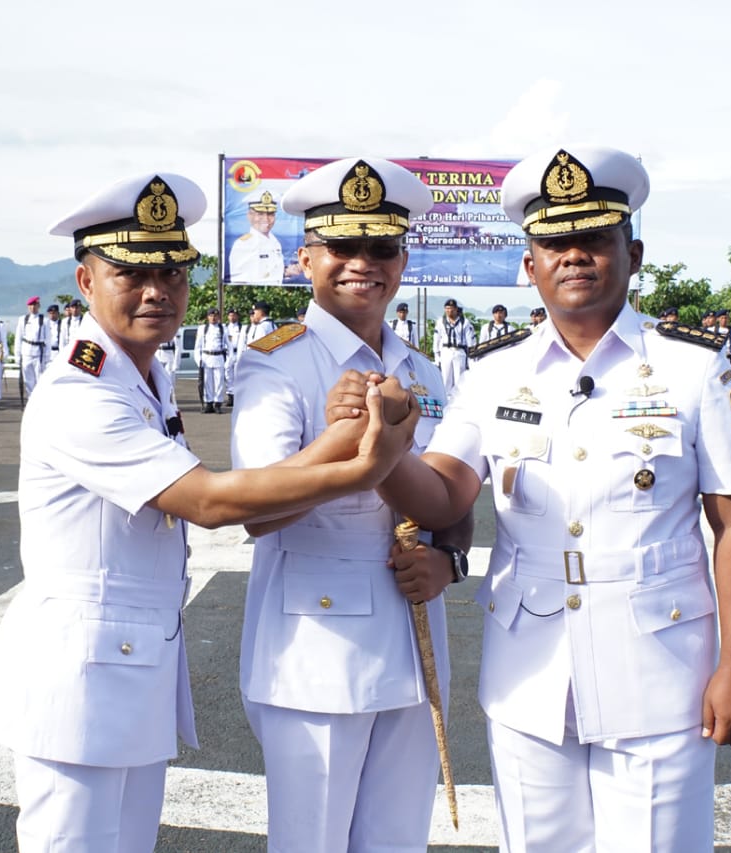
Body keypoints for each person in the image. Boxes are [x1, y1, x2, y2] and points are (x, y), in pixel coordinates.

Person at [0, 171, 418, 853]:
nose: (157, 289)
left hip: (126, 670)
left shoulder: (144, 377)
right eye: (131, 272)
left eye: (172, 271)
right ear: (86, 281)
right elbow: (211, 502)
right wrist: (359, 461)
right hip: (79, 681)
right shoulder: (82, 391)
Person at [373, 145, 731, 851]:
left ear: (633, 251)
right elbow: (441, 496)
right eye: (555, 242)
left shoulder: (692, 366)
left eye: (595, 237)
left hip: (662, 669)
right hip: (530, 670)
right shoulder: (496, 373)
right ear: (530, 266)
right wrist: (381, 451)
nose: (575, 255)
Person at [231, 156, 469, 852]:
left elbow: (455, 496)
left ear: (402, 259)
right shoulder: (276, 361)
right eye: (342, 245)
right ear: (305, 258)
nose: (363, 262)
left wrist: (449, 558)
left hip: (413, 640)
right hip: (317, 653)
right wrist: (348, 440)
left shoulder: (419, 369)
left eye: (382, 247)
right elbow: (258, 507)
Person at [228, 189, 285, 283]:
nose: (266, 219)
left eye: (270, 214)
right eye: (260, 214)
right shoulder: (243, 244)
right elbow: (238, 281)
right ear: (249, 216)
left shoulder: (275, 242)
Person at [433, 297, 474, 394]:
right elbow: (436, 340)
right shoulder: (440, 322)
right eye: (447, 308)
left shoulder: (465, 322)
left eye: (451, 308)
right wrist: (437, 356)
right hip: (446, 351)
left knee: (459, 379)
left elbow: (470, 342)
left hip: (459, 351)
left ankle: (459, 401)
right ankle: (446, 401)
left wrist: (471, 358)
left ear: (456, 309)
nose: (449, 311)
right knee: (446, 378)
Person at [193, 307, 228, 413]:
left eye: (215, 316)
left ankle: (217, 403)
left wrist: (228, 361)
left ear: (218, 317)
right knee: (207, 381)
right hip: (206, 357)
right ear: (207, 317)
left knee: (219, 382)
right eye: (211, 316)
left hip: (218, 357)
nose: (213, 318)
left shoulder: (223, 328)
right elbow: (197, 347)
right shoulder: (202, 329)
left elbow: (229, 346)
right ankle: (208, 403)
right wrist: (198, 360)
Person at [16, 296, 50, 399]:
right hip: (26, 352)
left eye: (35, 305)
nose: (33, 307)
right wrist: (18, 355)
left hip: (38, 353)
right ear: (28, 307)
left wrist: (47, 356)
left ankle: (39, 400)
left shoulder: (44, 320)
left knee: (39, 378)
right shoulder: (23, 319)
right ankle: (31, 399)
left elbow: (48, 339)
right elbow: (18, 338)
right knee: (28, 379)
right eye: (31, 305)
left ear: (38, 306)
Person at [223, 307, 244, 407]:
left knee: (238, 374)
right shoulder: (224, 328)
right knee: (228, 375)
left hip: (238, 353)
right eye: (230, 315)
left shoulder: (242, 328)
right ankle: (230, 395)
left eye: (234, 315)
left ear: (237, 316)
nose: (232, 317)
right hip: (228, 354)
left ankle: (238, 395)